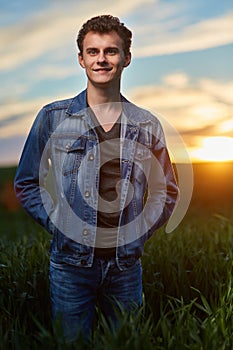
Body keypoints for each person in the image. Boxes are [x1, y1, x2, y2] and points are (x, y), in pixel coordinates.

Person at [14, 15, 179, 343]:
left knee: (127, 344)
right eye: (93, 52)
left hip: (126, 266)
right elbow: (26, 182)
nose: (101, 59)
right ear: (81, 59)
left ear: (126, 58)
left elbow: (166, 189)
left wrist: (140, 232)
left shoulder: (147, 125)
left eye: (110, 51)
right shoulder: (52, 117)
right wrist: (57, 223)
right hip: (70, 266)